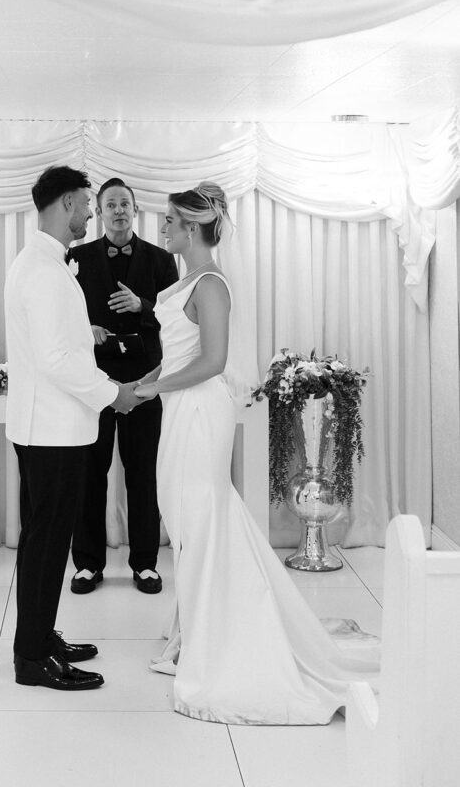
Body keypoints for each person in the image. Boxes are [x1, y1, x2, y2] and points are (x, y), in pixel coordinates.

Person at [134, 182, 379, 724]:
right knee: (188, 518)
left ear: (193, 227)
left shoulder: (212, 284)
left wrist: (157, 388)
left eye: (170, 222)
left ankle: (214, 642)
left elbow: (214, 360)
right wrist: (143, 383)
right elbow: (180, 352)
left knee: (199, 513)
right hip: (181, 407)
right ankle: (195, 630)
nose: (164, 230)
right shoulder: (186, 280)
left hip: (200, 411)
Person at [4, 165, 142, 692]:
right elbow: (56, 359)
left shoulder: (41, 262)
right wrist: (114, 394)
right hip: (52, 431)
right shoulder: (42, 269)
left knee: (44, 539)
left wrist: (85, 332)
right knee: (45, 542)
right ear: (65, 204)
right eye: (86, 203)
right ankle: (33, 658)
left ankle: (38, 637)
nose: (91, 211)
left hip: (48, 427)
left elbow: (55, 338)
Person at [68, 178, 178, 595]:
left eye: (124, 204)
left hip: (145, 381)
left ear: (135, 210)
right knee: (89, 475)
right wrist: (86, 328)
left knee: (143, 474)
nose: (118, 210)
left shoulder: (161, 259)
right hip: (93, 382)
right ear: (99, 210)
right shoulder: (74, 257)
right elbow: (61, 317)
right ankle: (88, 564)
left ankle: (146, 563)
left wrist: (143, 307)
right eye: (110, 204)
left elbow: (178, 317)